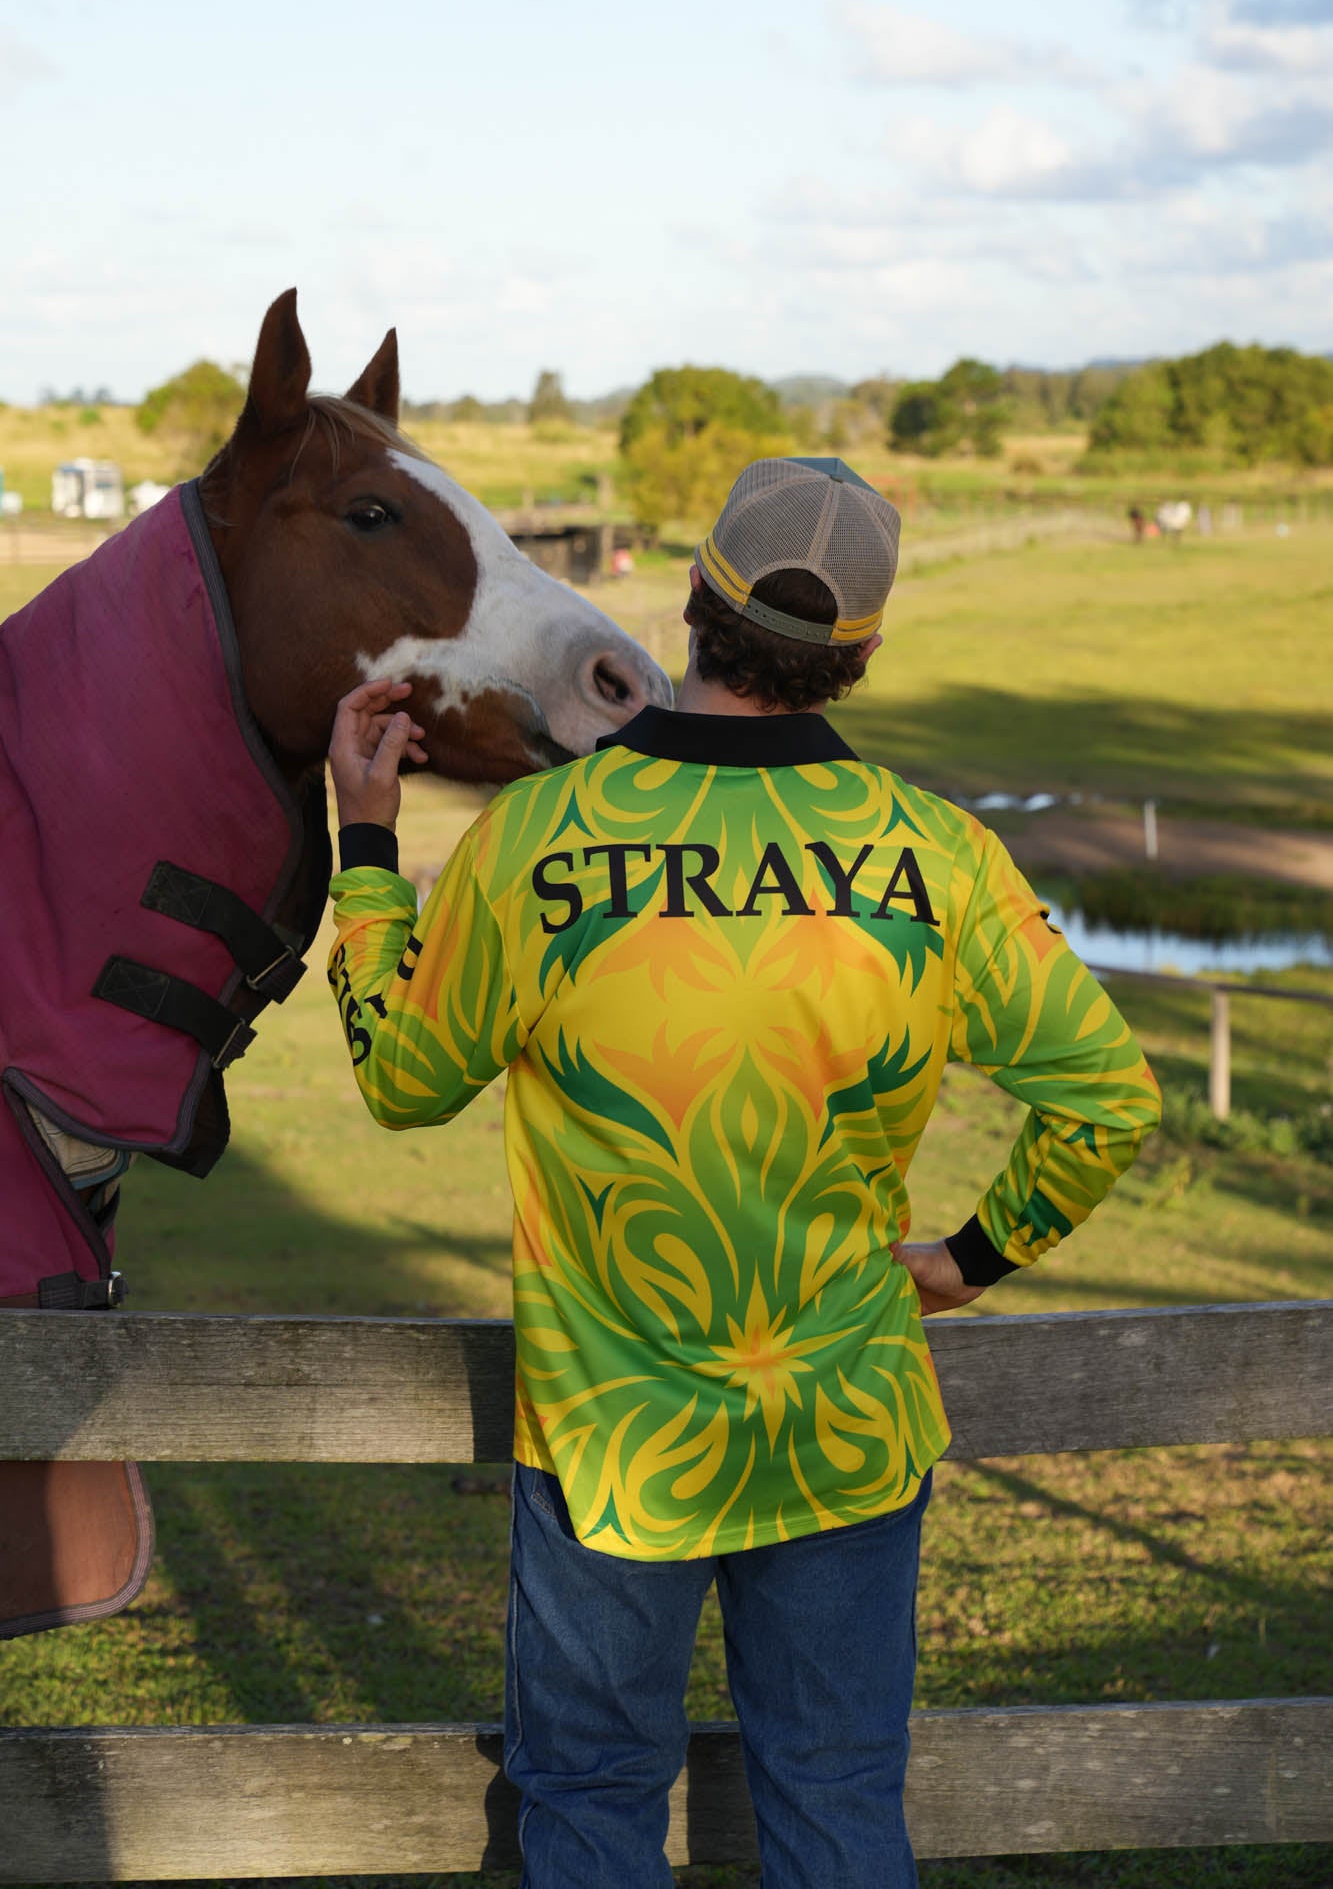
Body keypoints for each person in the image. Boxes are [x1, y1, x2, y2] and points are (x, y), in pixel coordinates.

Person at [325, 456, 1162, 1889]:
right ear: (861, 654)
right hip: (841, 1427)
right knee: (835, 1802)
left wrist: (364, 845)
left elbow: (403, 1081)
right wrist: (969, 1260)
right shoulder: (934, 857)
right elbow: (1105, 1099)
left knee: (589, 1800)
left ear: (696, 600)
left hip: (610, 1445)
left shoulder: (539, 840)